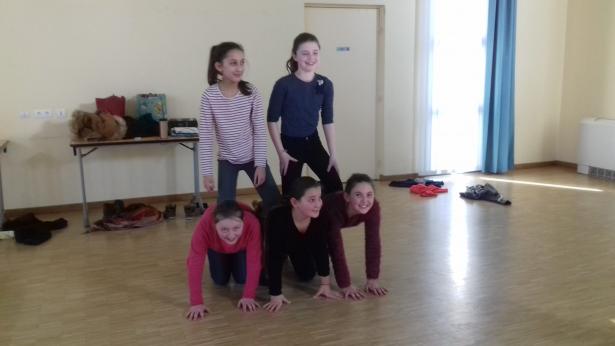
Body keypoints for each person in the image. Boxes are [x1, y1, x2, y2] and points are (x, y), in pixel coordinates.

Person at [199, 42, 280, 212]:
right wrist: (207, 173)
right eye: (233, 63)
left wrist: (260, 164)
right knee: (225, 210)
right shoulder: (209, 96)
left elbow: (259, 131)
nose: (239, 68)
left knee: (275, 203)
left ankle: (265, 221)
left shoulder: (251, 92)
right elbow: (205, 137)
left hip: (252, 157)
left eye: (242, 62)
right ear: (219, 67)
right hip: (227, 160)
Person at [267, 32, 343, 196]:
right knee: (290, 196)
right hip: (290, 145)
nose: (311, 58)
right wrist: (281, 153)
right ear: (295, 56)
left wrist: (333, 153)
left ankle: (315, 208)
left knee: (336, 187)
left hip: (313, 142)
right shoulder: (283, 85)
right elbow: (272, 120)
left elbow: (327, 120)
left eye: (315, 53)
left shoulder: (325, 84)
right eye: (305, 53)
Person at [264, 177, 339, 312]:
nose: (318, 204)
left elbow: (321, 250)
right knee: (264, 276)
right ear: (294, 202)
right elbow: (274, 256)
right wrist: (275, 294)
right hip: (278, 242)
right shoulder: (277, 219)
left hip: (299, 244)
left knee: (307, 275)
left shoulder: (320, 216)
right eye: (311, 200)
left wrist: (325, 284)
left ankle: (293, 254)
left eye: (319, 198)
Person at [185, 201, 262, 320]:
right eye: (224, 229)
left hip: (241, 248)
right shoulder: (204, 225)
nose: (231, 235)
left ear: (244, 222)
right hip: (217, 248)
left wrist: (249, 296)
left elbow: (255, 261)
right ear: (214, 224)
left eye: (236, 228)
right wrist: (196, 303)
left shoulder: (252, 223)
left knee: (242, 279)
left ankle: (234, 259)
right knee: (220, 280)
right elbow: (194, 263)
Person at [321, 173, 388, 300]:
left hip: (327, 229)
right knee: (306, 273)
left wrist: (372, 279)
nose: (365, 201)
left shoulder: (373, 207)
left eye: (369, 195)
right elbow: (336, 248)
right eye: (358, 195)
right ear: (346, 196)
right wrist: (345, 284)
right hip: (309, 229)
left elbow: (373, 242)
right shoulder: (333, 209)